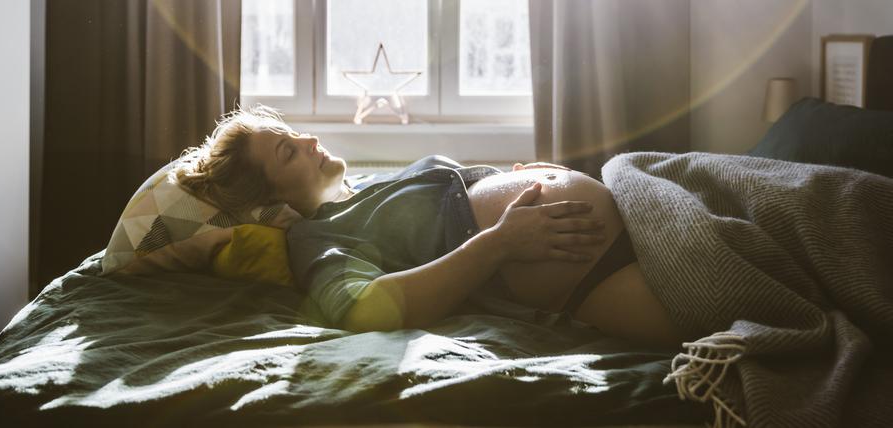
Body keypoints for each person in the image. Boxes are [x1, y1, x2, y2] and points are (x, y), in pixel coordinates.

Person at [175, 106, 686, 347]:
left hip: (638, 201)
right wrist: (500, 242)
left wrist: (513, 175)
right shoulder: (318, 237)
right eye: (288, 151)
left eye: (292, 133)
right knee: (724, 309)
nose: (309, 140)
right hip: (588, 274)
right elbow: (364, 309)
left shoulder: (379, 183)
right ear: (270, 198)